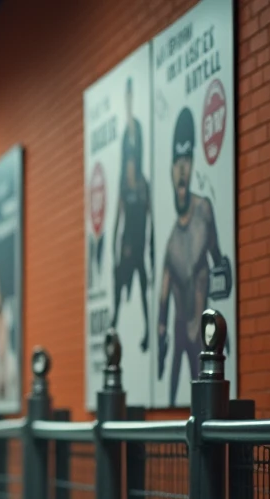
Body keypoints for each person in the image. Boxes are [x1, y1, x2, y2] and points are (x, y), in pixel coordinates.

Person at [158, 106, 227, 405]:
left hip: (204, 338)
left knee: (208, 415)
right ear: (172, 172)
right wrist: (160, 339)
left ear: (192, 163)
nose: (182, 168)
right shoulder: (170, 243)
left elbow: (220, 263)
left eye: (187, 160)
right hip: (179, 337)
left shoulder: (204, 214)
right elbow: (162, 301)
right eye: (177, 162)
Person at [112, 77, 154, 351]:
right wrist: (117, 252)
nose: (129, 166)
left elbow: (151, 218)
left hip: (139, 246)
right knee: (119, 285)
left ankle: (149, 331)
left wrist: (150, 249)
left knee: (142, 291)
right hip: (127, 246)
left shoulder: (143, 185)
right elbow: (116, 223)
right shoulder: (122, 188)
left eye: (132, 161)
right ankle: (113, 326)